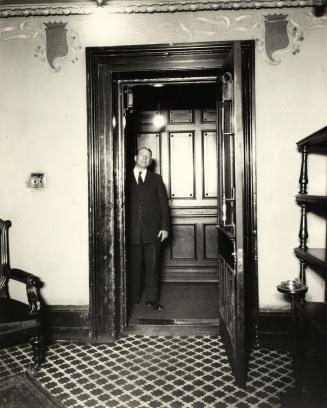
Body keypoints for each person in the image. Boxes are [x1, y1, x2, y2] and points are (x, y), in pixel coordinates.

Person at [127, 147, 169, 311]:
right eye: (143, 155)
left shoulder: (156, 179)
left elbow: (164, 205)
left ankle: (152, 300)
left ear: (150, 162)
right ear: (135, 157)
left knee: (152, 268)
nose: (145, 159)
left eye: (148, 157)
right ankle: (134, 298)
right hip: (130, 232)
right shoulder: (124, 177)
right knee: (134, 267)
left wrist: (165, 227)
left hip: (153, 232)